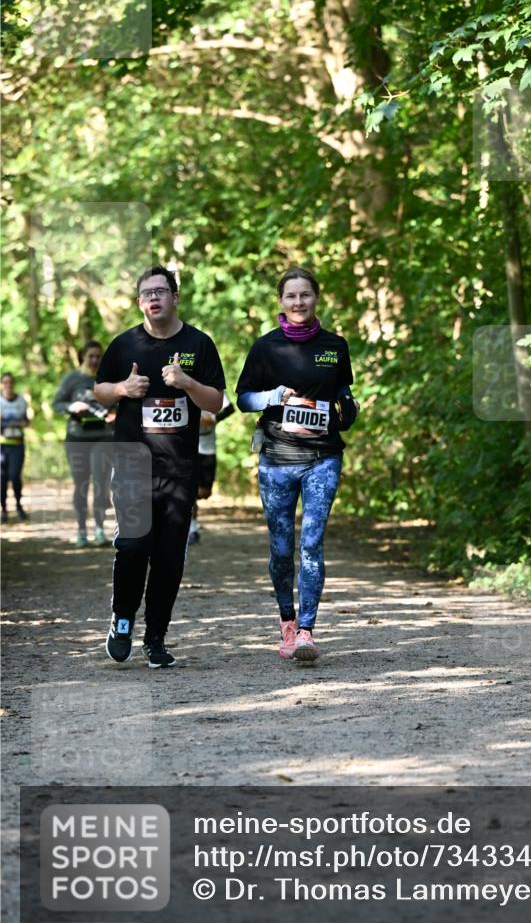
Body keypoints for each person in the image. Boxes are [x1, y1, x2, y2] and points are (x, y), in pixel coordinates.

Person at [94, 264, 226, 668]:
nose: (153, 298)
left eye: (161, 291)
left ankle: (156, 636)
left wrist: (187, 383)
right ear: (139, 302)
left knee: (169, 557)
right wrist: (122, 389)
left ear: (174, 297)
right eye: (146, 293)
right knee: (133, 546)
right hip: (133, 464)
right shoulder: (123, 345)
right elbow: (100, 392)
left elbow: (216, 403)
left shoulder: (199, 344)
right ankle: (122, 619)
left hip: (179, 469)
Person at [236, 266, 359, 662]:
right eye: (291, 296)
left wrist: (349, 407)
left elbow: (343, 392)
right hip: (277, 460)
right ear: (281, 302)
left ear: (316, 298)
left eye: (305, 295)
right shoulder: (265, 347)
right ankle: (286, 622)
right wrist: (272, 397)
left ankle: (307, 630)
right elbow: (243, 399)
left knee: (311, 542)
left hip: (323, 457)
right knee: (280, 547)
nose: (298, 302)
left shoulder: (335, 346)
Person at [53, 341, 114, 546]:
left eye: (98, 356)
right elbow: (57, 403)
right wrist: (72, 406)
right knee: (81, 484)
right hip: (77, 438)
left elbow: (121, 402)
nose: (95, 360)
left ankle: (99, 529)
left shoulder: (108, 378)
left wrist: (115, 414)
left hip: (104, 437)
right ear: (83, 357)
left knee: (100, 482)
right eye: (91, 356)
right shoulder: (72, 378)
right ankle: (81, 531)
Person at [188, 394, 234, 545]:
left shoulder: (213, 387)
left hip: (208, 448)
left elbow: (230, 409)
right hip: (188, 447)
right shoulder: (182, 384)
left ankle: (190, 504)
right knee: (190, 490)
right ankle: (192, 529)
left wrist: (214, 419)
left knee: (205, 492)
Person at [1, 372, 30, 523]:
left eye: (10, 382)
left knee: (14, 476)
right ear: (1, 384)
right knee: (2, 478)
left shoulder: (22, 401)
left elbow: (26, 421)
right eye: (5, 382)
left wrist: (21, 423)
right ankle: (4, 510)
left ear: (14, 384)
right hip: (2, 445)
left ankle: (19, 506)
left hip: (17, 444)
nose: (8, 385)